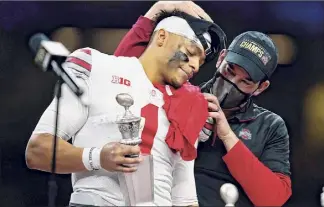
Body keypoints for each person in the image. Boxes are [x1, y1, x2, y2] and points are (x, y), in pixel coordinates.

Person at [25, 6, 227, 207]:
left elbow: (184, 195)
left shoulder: (188, 104)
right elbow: (37, 150)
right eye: (191, 52)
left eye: (201, 61)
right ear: (162, 37)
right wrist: (98, 157)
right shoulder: (98, 67)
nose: (195, 65)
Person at [114, 1, 292, 206]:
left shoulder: (270, 126)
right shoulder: (181, 93)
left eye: (245, 81)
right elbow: (123, 78)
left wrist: (227, 135)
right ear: (221, 58)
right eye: (230, 70)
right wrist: (157, 10)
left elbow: (274, 198)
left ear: (261, 87)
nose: (231, 83)